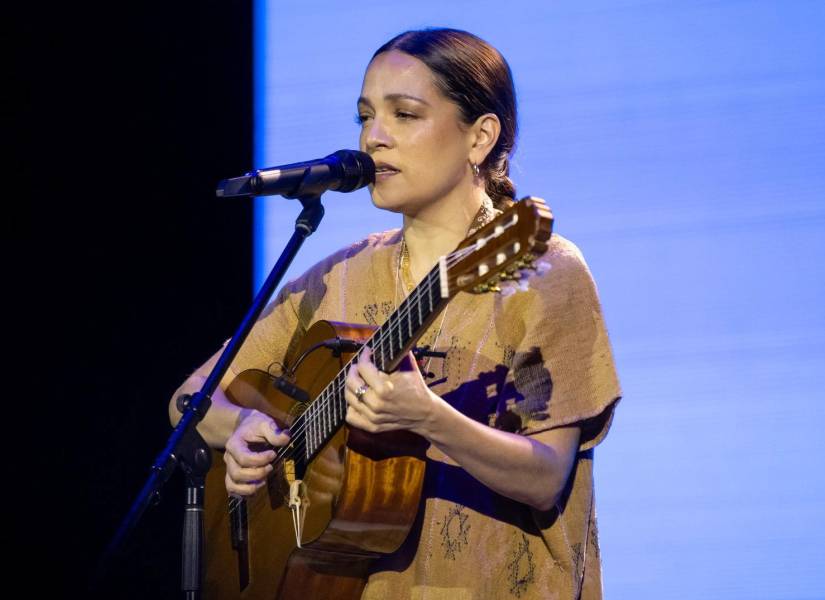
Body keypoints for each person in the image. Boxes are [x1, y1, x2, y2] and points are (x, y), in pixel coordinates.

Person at [170, 28, 621, 599]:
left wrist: (431, 418)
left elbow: (545, 476)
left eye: (404, 115)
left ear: (480, 137)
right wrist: (244, 431)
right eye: (365, 116)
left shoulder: (541, 272)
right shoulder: (340, 275)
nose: (373, 138)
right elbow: (189, 401)